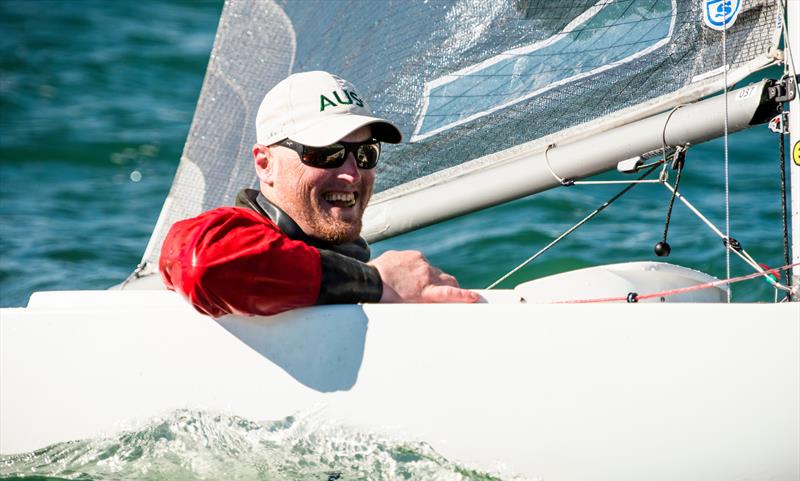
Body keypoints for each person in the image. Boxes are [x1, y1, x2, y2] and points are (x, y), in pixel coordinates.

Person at [159, 71, 479, 317]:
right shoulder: (220, 235)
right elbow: (202, 265)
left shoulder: (351, 269)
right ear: (264, 163)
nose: (352, 173)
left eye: (366, 153)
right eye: (326, 153)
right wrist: (373, 283)